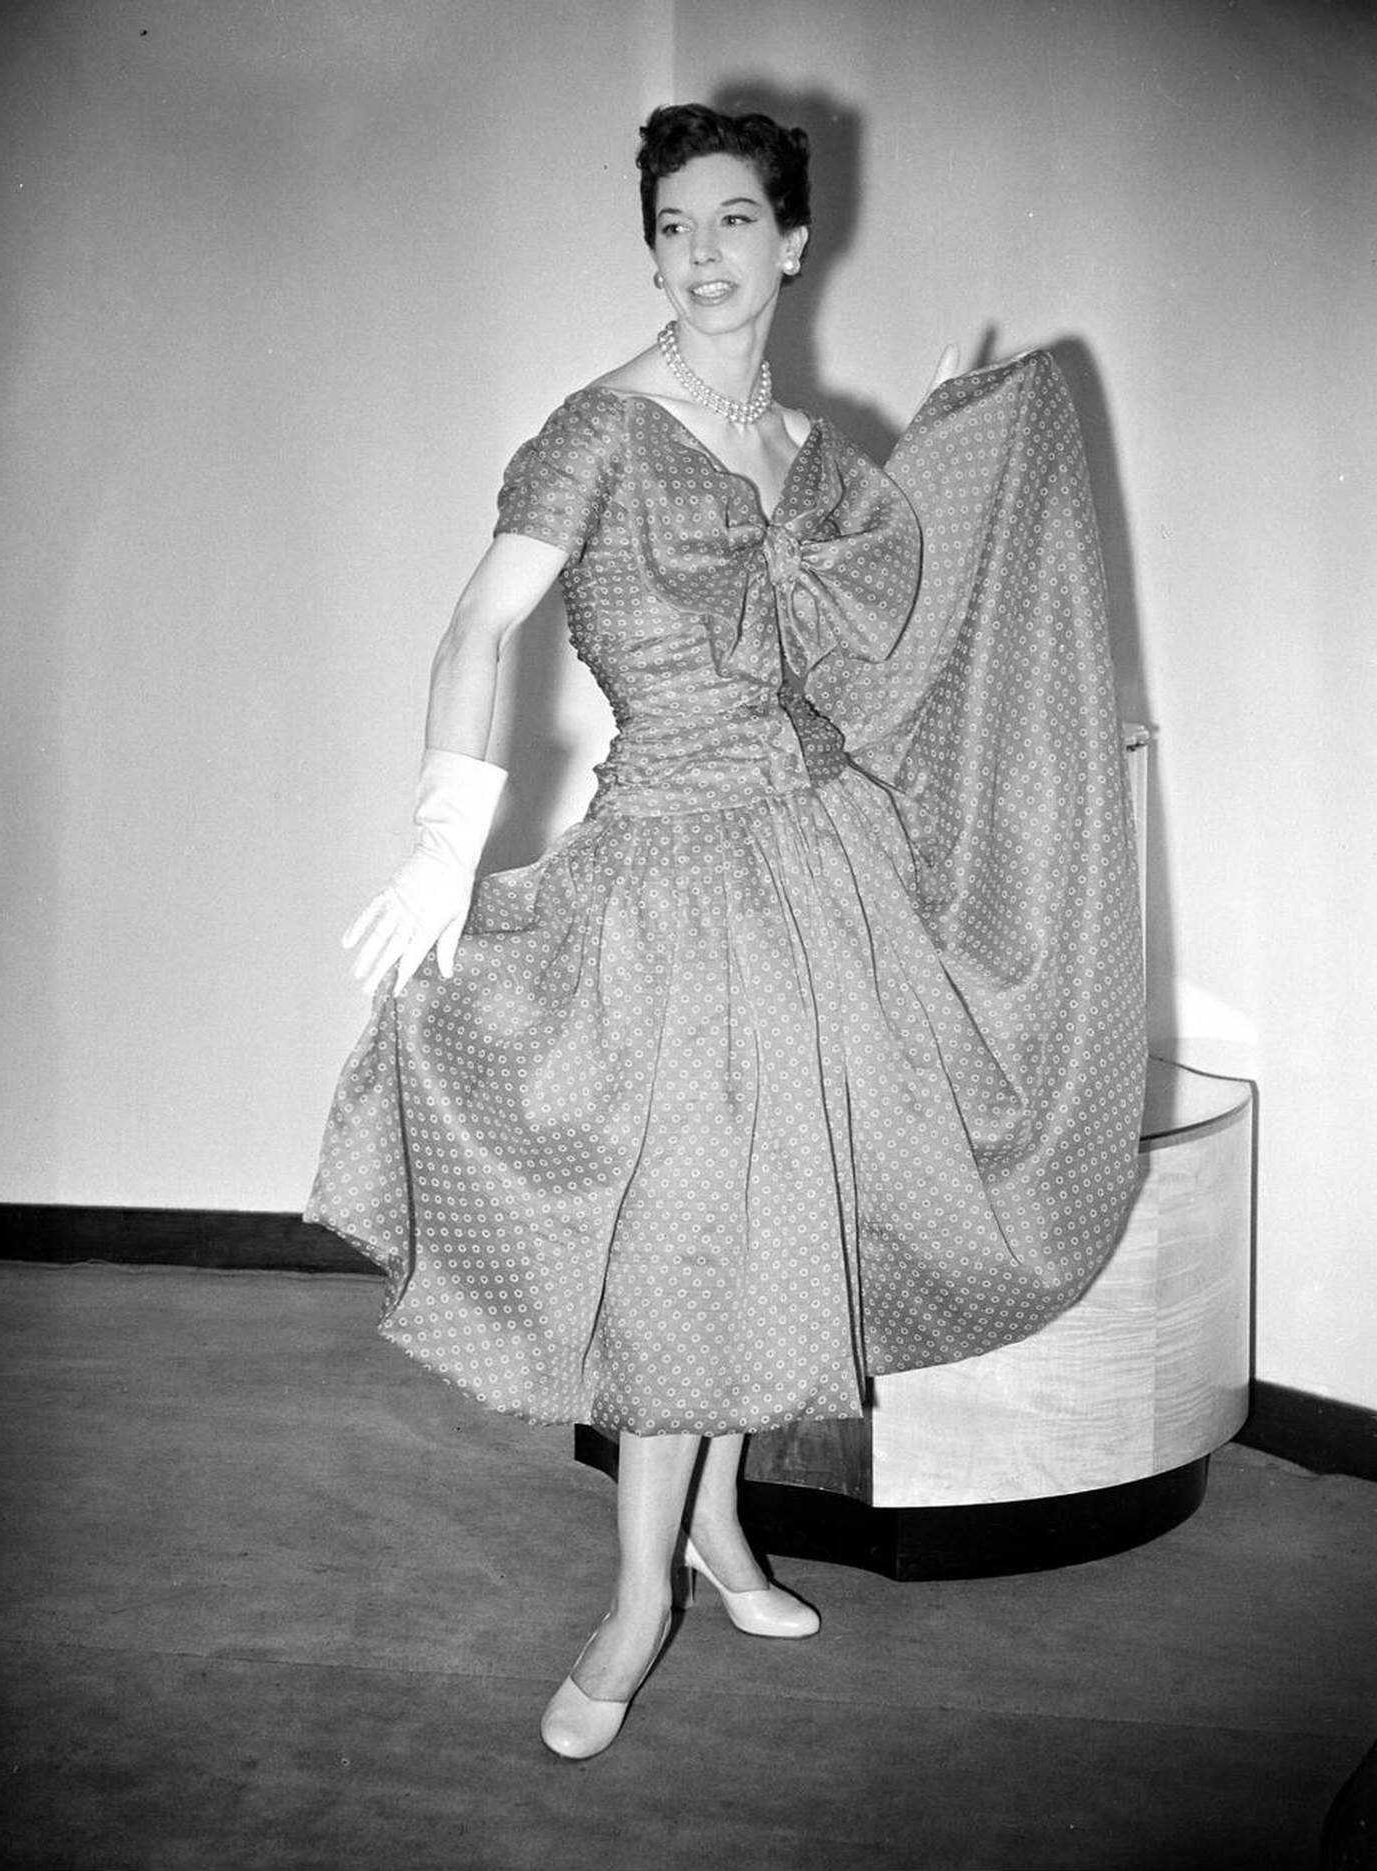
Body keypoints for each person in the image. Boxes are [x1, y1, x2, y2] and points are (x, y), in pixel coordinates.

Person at [307, 103, 1146, 1760]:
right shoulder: (600, 431)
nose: (701, 254)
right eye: (673, 226)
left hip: (815, 867)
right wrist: (444, 842)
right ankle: (637, 1607)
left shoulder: (819, 457)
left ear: (792, 242)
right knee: (693, 1234)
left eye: (733, 220)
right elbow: (480, 625)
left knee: (769, 1221)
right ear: (652, 249)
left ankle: (715, 1534)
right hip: (672, 878)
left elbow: (872, 665)